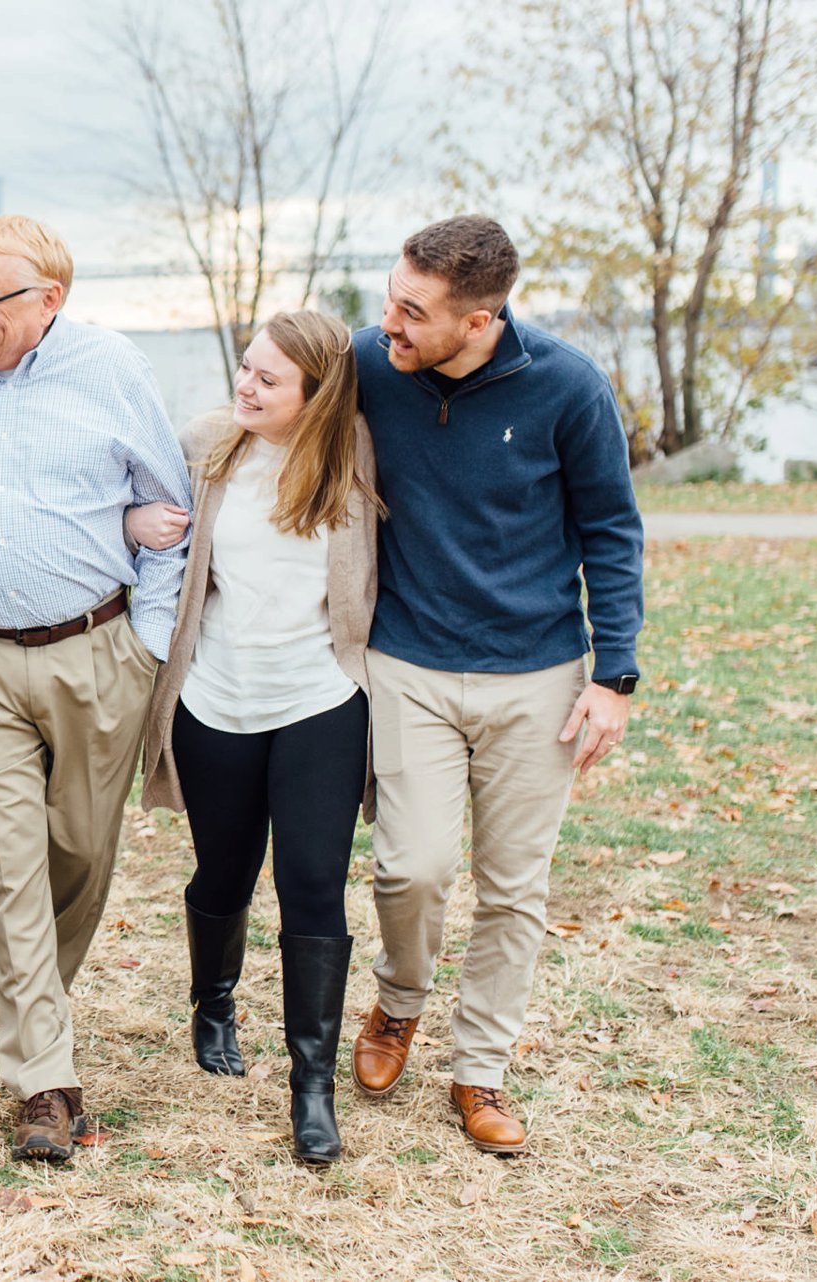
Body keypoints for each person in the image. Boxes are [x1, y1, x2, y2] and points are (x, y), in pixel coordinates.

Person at [346, 216, 644, 1154]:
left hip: (537, 677)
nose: (388, 320)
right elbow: (265, 408)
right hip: (408, 662)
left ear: (479, 322)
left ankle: (481, 1069)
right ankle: (399, 1003)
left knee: (514, 889)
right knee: (413, 865)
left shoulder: (567, 387)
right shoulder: (366, 365)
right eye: (391, 295)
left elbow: (612, 530)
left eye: (413, 311)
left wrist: (617, 675)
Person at [0, 215, 192, 1162]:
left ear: (50, 301)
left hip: (96, 652)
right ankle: (43, 1078)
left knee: (78, 851)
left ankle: (40, 1012)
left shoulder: (112, 369)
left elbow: (173, 506)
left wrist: (148, 642)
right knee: (12, 863)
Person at [134, 310, 381, 1165]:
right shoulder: (207, 446)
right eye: (245, 368)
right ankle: (214, 1004)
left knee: (314, 887)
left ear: (316, 397)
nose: (246, 385)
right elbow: (121, 494)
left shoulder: (355, 455)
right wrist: (134, 525)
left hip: (319, 698)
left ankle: (310, 1089)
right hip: (216, 699)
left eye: (268, 379)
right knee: (225, 870)